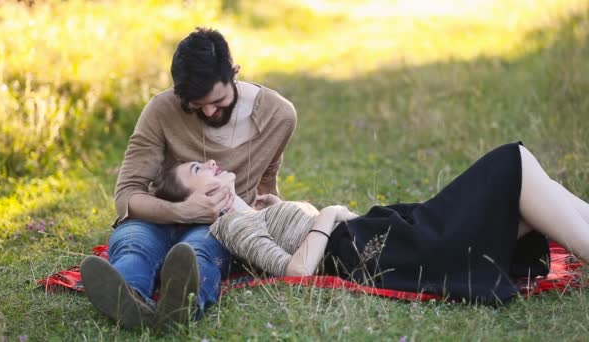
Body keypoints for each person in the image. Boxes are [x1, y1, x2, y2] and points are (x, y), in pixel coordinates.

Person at [153, 142, 589, 304]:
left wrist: (283, 208)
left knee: (526, 181)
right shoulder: (229, 225)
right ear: (196, 201)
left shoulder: (248, 214)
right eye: (197, 171)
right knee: (512, 163)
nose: (209, 164)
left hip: (384, 233)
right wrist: (326, 214)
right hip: (382, 249)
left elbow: (291, 237)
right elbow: (297, 273)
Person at [80, 27, 297, 329]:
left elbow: (267, 185)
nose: (208, 111)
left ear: (233, 73)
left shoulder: (278, 116)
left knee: (200, 253)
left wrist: (281, 222)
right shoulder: (161, 109)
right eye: (196, 105)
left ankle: (180, 309)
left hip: (222, 224)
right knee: (133, 243)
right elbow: (126, 195)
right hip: (156, 215)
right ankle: (129, 300)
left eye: (217, 100)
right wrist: (178, 211)